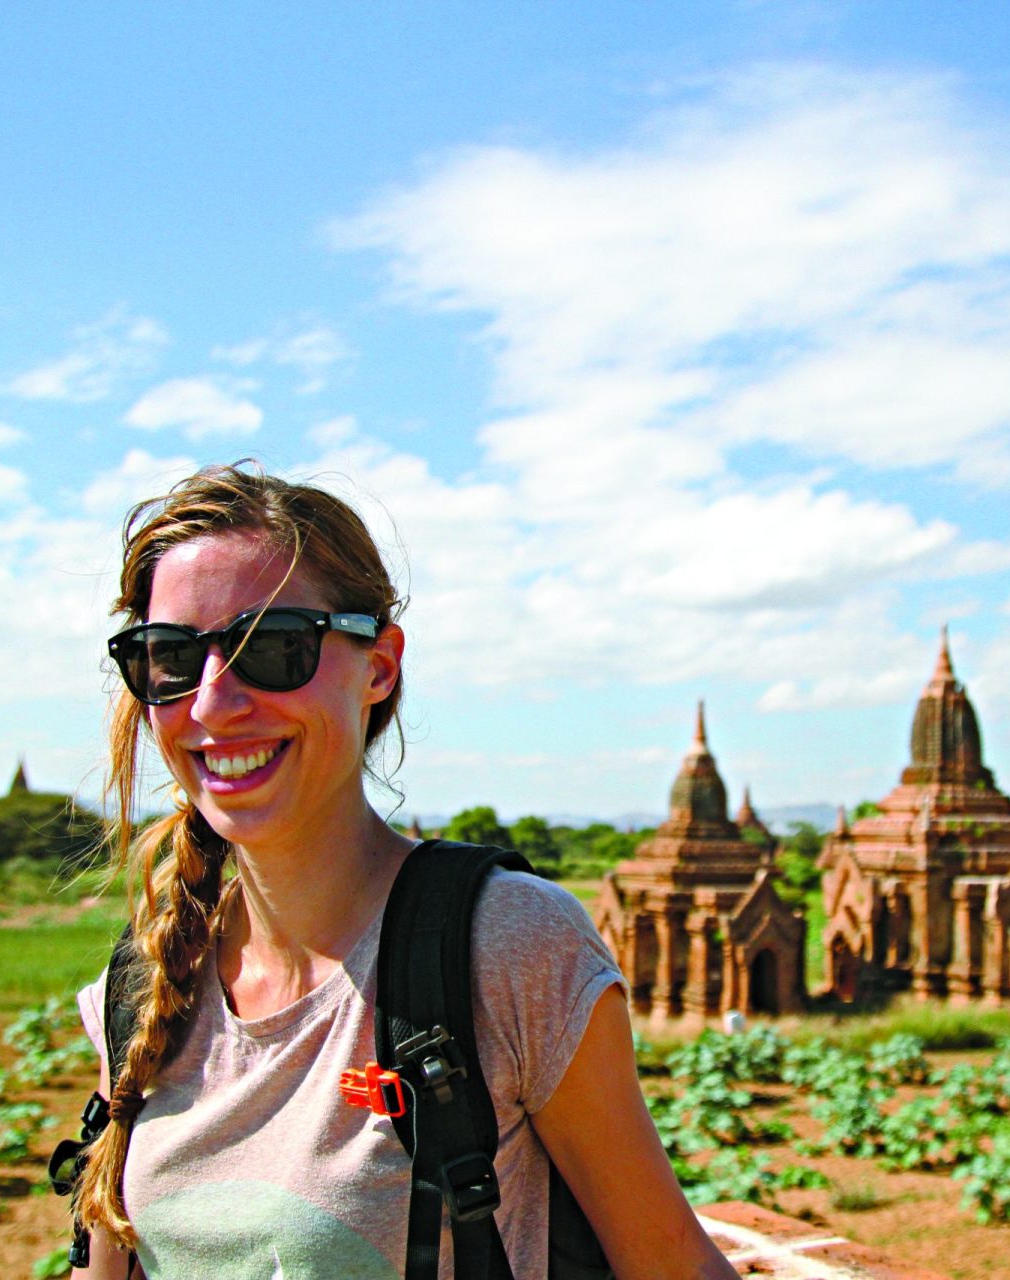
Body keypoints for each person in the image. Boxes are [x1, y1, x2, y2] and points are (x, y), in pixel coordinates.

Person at [71, 463, 736, 1279]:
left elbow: (670, 1264)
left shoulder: (509, 948)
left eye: (273, 647)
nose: (212, 702)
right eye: (167, 657)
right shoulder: (143, 990)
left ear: (379, 666)